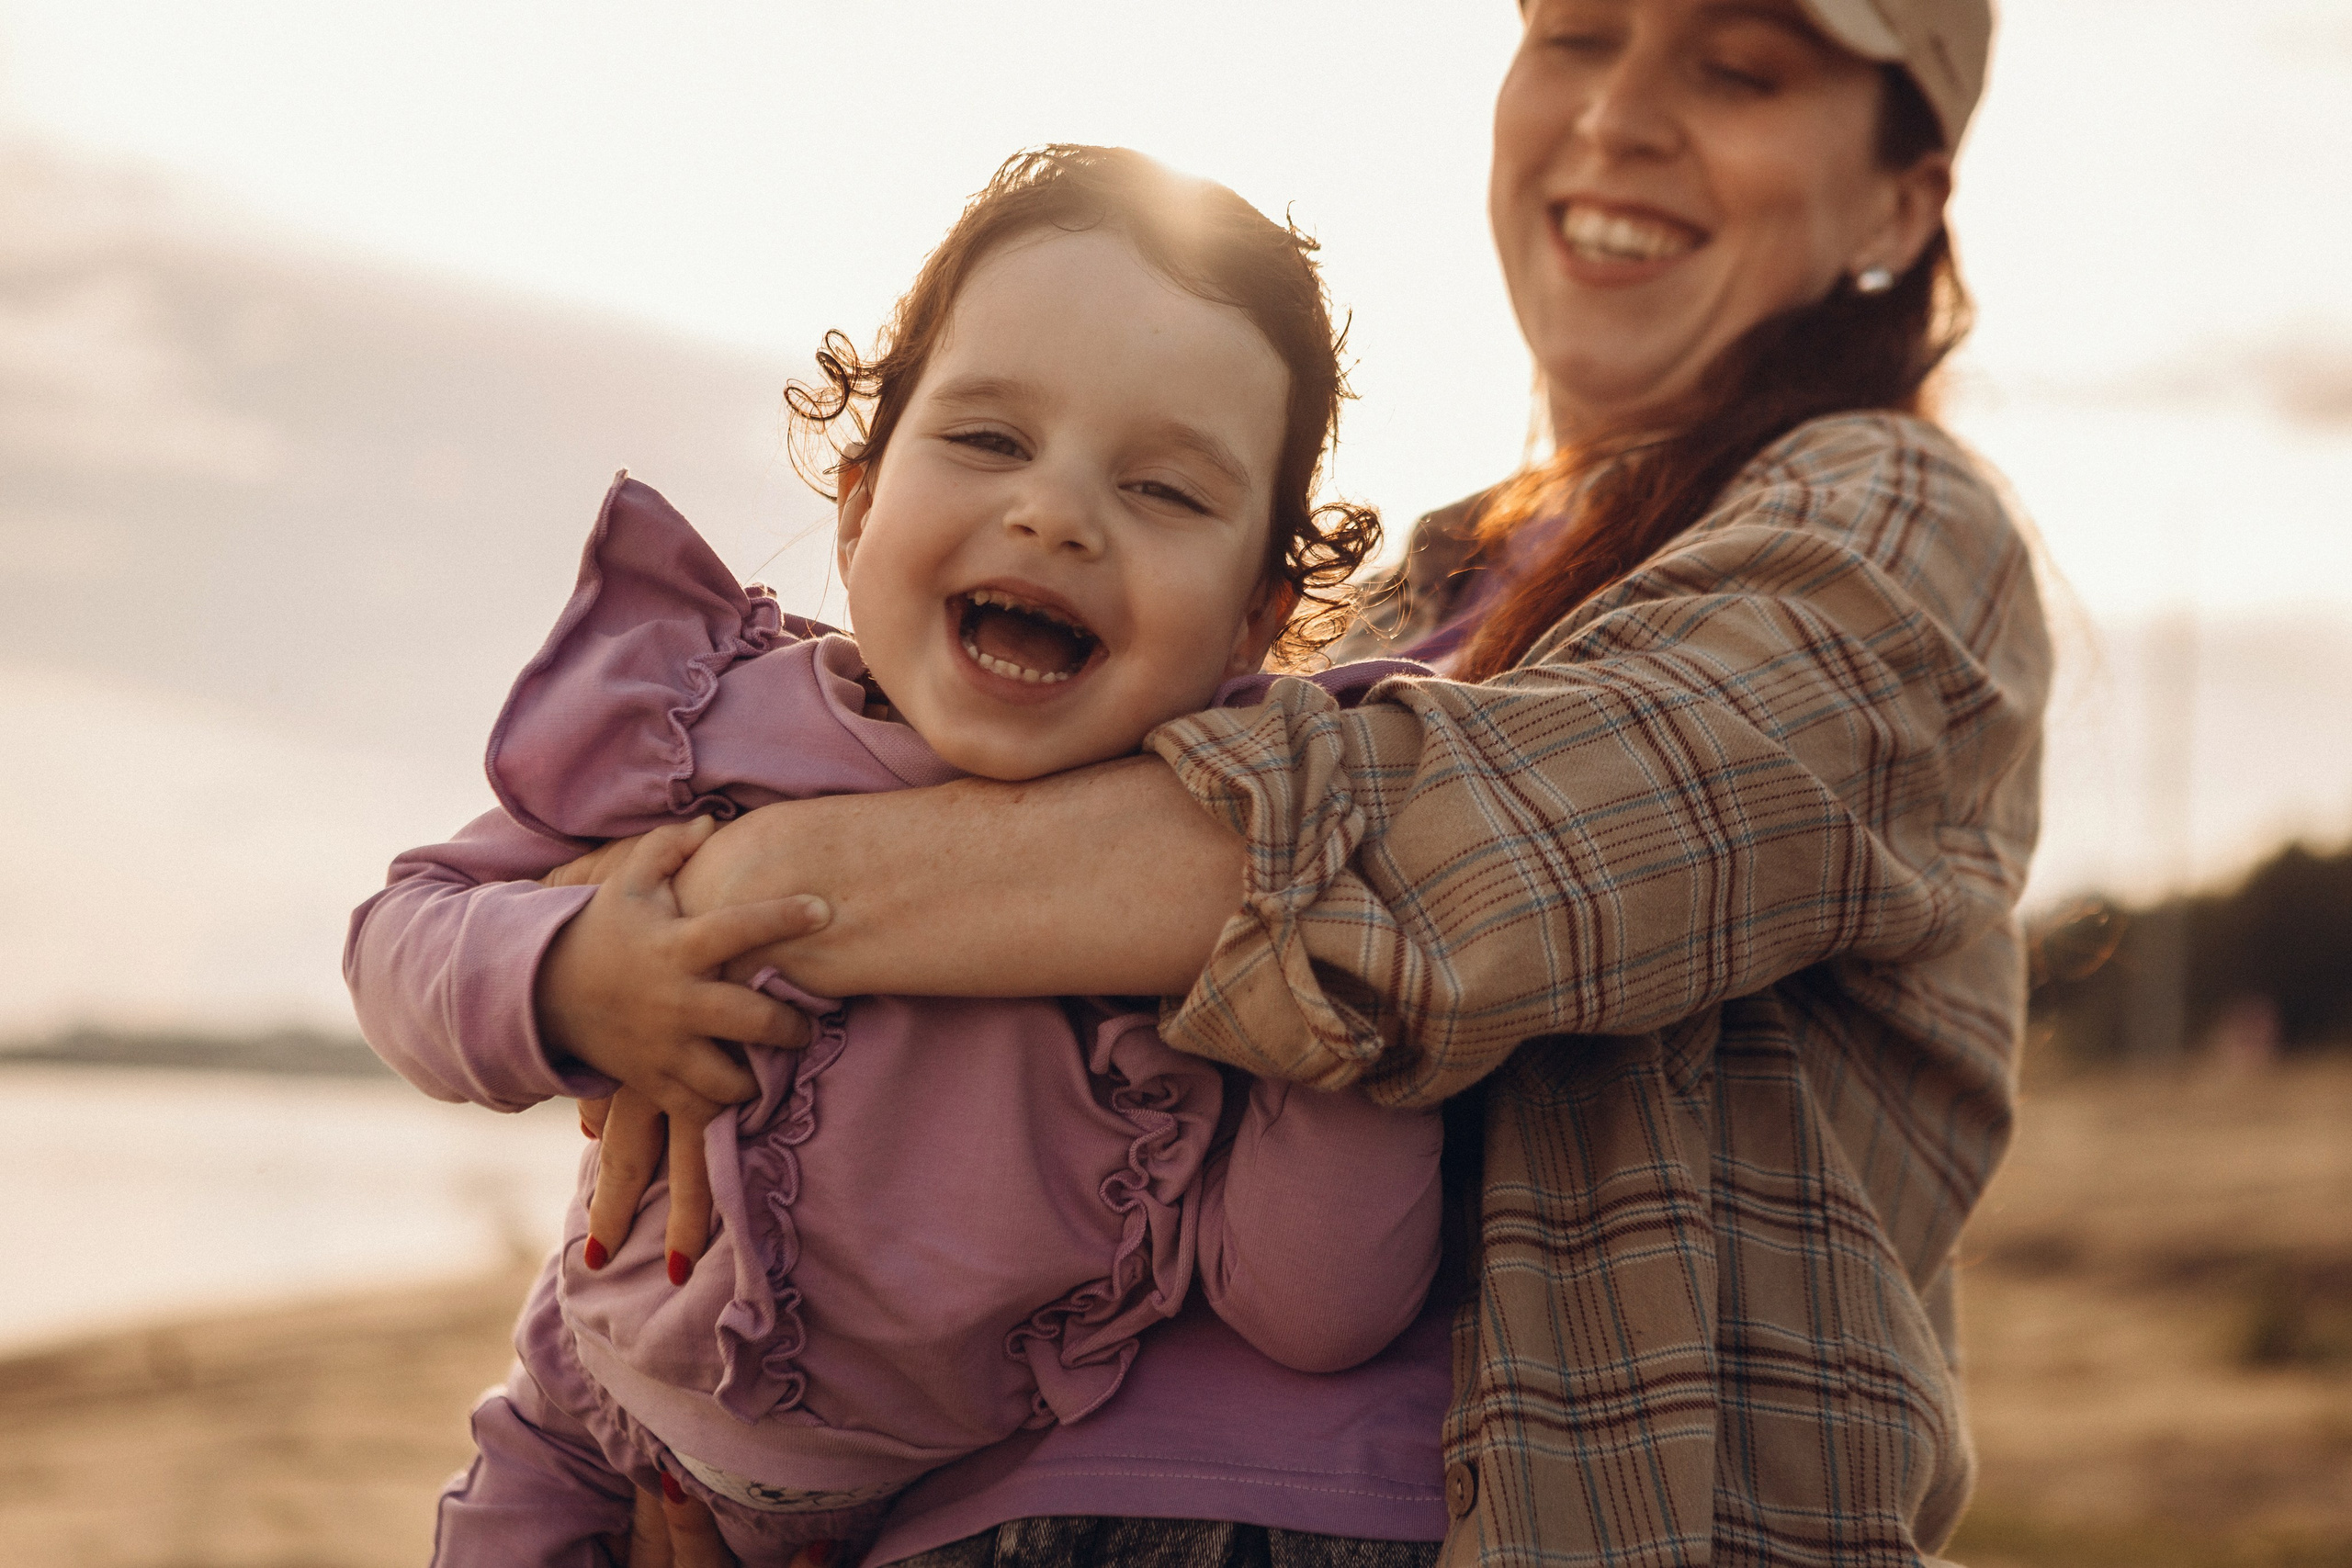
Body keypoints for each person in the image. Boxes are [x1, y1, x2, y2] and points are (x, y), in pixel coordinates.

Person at [572, 0, 2052, 1562]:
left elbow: (1444, 861)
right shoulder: (1427, 596)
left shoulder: (1892, 526)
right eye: (1579, 36)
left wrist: (726, 893)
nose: (1619, 118)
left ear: (1901, 200)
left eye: (1739, 68)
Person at [345, 148, 1450, 1565]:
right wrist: (568, 977)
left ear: (1253, 619)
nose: (1055, 514)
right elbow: (400, 933)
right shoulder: (712, 730)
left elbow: (1315, 1306)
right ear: (860, 506)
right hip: (590, 1413)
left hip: (940, 1500)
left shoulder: (1212, 868)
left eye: (1166, 490)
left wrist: (1352, 965)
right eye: (989, 442)